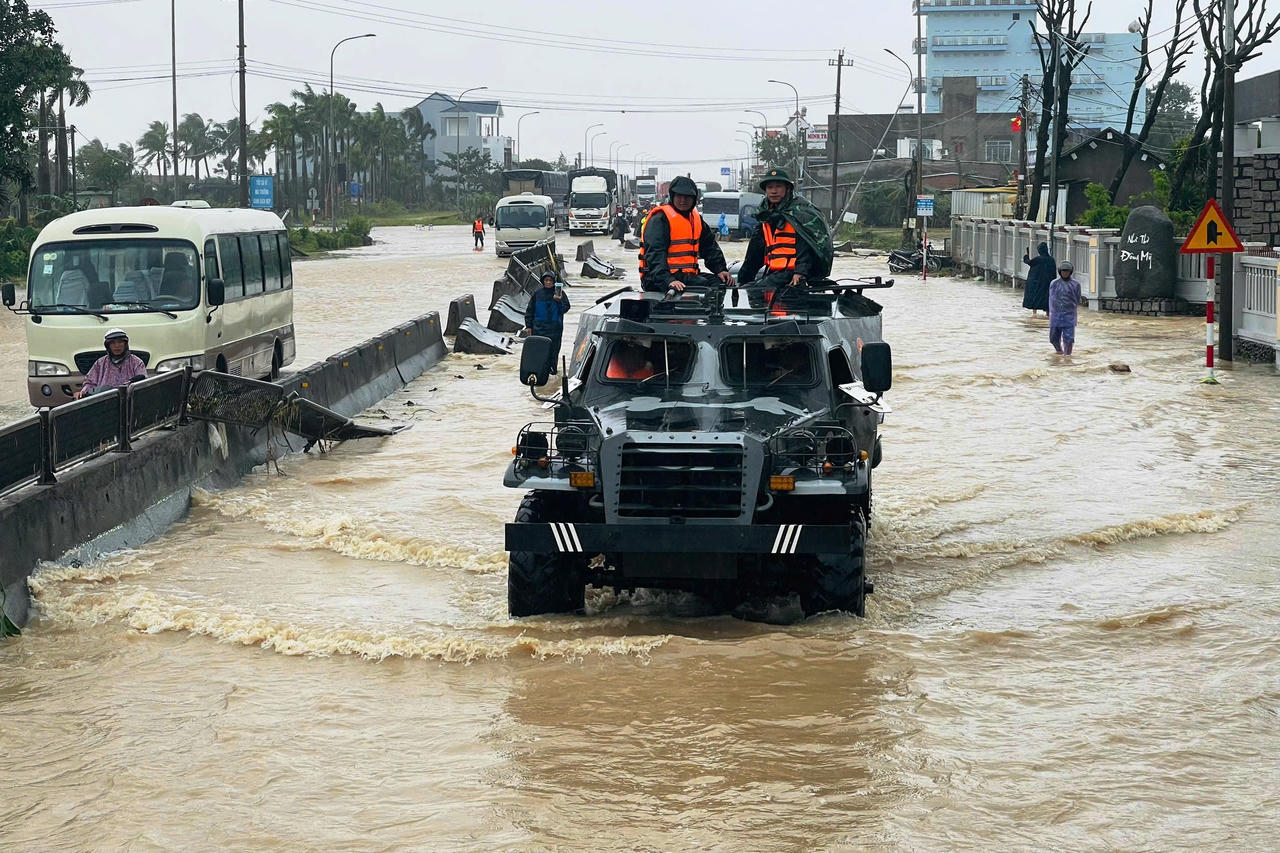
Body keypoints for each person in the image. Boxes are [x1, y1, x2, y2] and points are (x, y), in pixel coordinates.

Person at [737, 167, 834, 293]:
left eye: (778, 186)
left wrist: (800, 273)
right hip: (775, 273)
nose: (774, 191)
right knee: (748, 289)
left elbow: (807, 246)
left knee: (755, 291)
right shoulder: (766, 216)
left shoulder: (800, 212)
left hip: (793, 274)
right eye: (770, 187)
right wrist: (742, 280)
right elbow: (754, 254)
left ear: (787, 188)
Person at [638, 175, 732, 293]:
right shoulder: (660, 219)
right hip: (658, 279)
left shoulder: (696, 219)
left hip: (686, 276)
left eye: (688, 197)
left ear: (694, 199)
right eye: (679, 196)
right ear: (673, 196)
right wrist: (667, 279)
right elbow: (655, 253)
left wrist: (720, 269)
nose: (683, 200)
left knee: (720, 283)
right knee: (702, 284)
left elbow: (709, 247)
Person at [522, 270, 570, 376]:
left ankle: (553, 372)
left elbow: (565, 309)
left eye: (550, 280)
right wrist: (528, 326)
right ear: (543, 281)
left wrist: (559, 301)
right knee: (539, 353)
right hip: (539, 329)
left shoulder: (560, 294)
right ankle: (539, 373)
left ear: (554, 282)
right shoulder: (537, 294)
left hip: (555, 330)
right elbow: (530, 311)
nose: (548, 282)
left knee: (553, 353)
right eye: (546, 280)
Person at [75, 328, 146, 398]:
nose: (117, 346)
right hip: (103, 402)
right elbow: (89, 383)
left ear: (125, 344)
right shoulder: (100, 363)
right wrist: (83, 392)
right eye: (112, 343)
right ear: (108, 346)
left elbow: (142, 383)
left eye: (120, 342)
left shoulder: (136, 362)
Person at [1048, 259, 1083, 355]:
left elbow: (1077, 298)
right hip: (1055, 315)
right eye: (1063, 271)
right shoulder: (1054, 284)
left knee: (1069, 339)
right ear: (1060, 271)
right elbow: (1051, 298)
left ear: (1070, 272)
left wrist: (1071, 308)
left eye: (1067, 271)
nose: (1065, 273)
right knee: (1053, 338)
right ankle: (1059, 351)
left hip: (1069, 315)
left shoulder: (1075, 284)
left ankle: (1067, 356)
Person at [1022, 242, 1054, 317]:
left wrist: (1026, 257)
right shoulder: (1051, 260)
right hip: (1048, 283)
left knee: (1035, 298)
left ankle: (1034, 314)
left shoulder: (1038, 259)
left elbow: (1028, 262)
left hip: (1037, 283)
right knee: (1047, 299)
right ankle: (1047, 314)